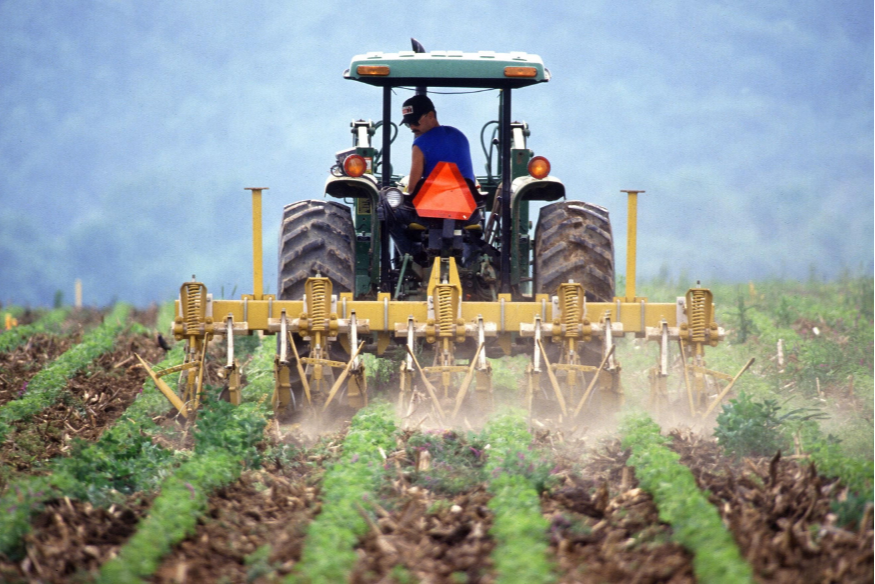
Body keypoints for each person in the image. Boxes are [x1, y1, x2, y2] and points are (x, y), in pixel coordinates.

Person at [382, 95, 479, 263]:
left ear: (431, 116)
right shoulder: (460, 136)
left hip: (431, 216)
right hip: (467, 213)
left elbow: (411, 189)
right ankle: (471, 262)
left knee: (385, 209)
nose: (412, 127)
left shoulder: (420, 144)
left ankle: (414, 254)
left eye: (415, 122)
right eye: (408, 123)